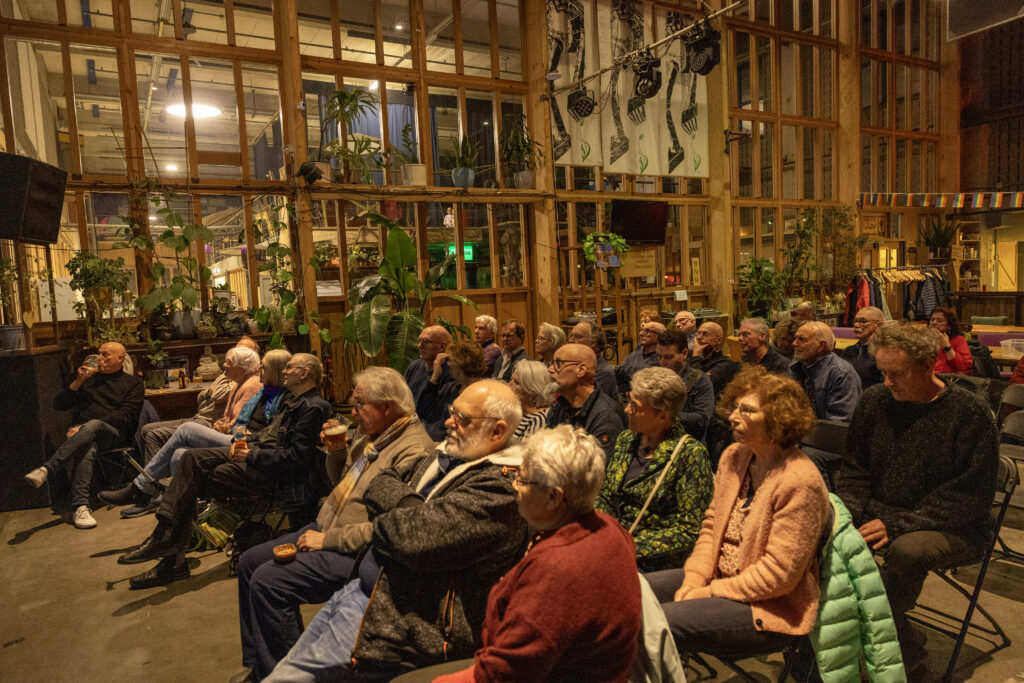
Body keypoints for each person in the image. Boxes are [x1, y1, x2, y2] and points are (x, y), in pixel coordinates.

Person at [265, 381, 530, 681]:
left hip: (404, 616)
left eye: (462, 419)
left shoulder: (501, 486)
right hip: (365, 587)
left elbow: (415, 540)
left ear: (497, 431)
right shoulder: (448, 454)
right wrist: (413, 511)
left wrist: (403, 513)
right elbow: (379, 482)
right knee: (286, 664)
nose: (448, 422)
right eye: (452, 412)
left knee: (284, 677)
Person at [235, 367, 435, 681]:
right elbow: (340, 483)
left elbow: (394, 527)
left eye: (359, 406)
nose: (352, 413)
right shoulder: (376, 435)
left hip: (358, 552)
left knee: (270, 580)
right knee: (249, 562)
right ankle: (263, 665)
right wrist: (337, 451)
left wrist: (326, 541)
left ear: (387, 407)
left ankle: (285, 674)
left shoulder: (413, 450)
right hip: (326, 525)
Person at [837, 322, 998, 674]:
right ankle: (890, 638)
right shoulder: (875, 400)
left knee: (907, 552)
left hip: (951, 523)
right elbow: (854, 470)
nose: (887, 382)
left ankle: (901, 650)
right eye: (882, 372)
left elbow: (969, 496)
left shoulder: (968, 413)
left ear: (929, 365)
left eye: (897, 373)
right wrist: (845, 515)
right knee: (823, 533)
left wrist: (896, 525)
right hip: (880, 514)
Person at [645, 366, 830, 659]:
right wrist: (695, 577)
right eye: (734, 408)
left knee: (657, 625)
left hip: (768, 604)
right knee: (632, 591)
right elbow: (710, 527)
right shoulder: (736, 455)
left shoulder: (800, 480)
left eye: (746, 410)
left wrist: (708, 591)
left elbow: (779, 576)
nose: (732, 416)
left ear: (778, 419)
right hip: (719, 578)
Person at [434, 426, 643, 682]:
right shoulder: (611, 529)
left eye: (523, 478)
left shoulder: (555, 569)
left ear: (554, 497)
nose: (514, 485)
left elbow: (503, 674)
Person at [117, 354, 331, 589]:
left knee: (188, 478)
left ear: (304, 373)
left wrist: (251, 454)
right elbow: (270, 435)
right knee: (189, 460)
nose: (285, 371)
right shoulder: (294, 400)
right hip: (258, 456)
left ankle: (167, 551)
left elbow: (297, 458)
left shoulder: (313, 407)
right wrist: (248, 439)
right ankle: (167, 547)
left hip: (272, 474)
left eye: (290, 367)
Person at [98, 346, 263, 516]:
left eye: (229, 363)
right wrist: (223, 422)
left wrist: (225, 425)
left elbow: (239, 425)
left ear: (241, 368)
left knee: (186, 430)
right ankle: (180, 513)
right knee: (179, 453)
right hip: (226, 434)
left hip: (240, 442)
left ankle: (141, 487)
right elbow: (228, 415)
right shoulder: (238, 383)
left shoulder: (251, 384)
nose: (224, 366)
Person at [596, 367, 713, 571]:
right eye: (628, 401)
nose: (626, 410)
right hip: (613, 545)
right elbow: (606, 494)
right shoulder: (627, 439)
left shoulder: (689, 453)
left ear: (662, 415)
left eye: (635, 405)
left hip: (654, 563)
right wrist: (603, 533)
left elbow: (689, 530)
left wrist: (630, 545)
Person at [24, 342, 144, 530]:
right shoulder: (88, 379)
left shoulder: (133, 384)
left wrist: (84, 426)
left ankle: (48, 468)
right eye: (99, 354)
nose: (100, 358)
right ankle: (80, 506)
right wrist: (78, 381)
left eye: (106, 355)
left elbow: (126, 416)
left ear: (120, 359)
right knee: (87, 445)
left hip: (114, 434)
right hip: (84, 436)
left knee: (93, 426)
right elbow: (59, 405)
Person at [138, 336, 260, 465]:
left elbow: (236, 422)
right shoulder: (234, 380)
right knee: (147, 430)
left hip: (215, 426)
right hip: (203, 419)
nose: (226, 363)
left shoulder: (249, 383)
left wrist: (226, 429)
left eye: (242, 351)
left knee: (165, 434)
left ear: (248, 361)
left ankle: (147, 481)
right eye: (236, 349)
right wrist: (210, 393)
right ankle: (151, 478)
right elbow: (202, 397)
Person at [545, 343, 626, 461]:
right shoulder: (559, 407)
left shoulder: (606, 417)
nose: (550, 369)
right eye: (551, 363)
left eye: (558, 363)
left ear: (581, 370)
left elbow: (596, 472)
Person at [790, 321, 862, 422]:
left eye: (801, 339)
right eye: (795, 338)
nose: (794, 343)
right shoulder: (795, 367)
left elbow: (837, 425)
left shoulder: (842, 374)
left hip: (825, 435)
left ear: (821, 346)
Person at [420, 340, 490, 441]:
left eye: (450, 360)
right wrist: (435, 376)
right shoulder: (450, 388)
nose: (448, 365)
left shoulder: (481, 394)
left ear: (462, 362)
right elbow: (423, 410)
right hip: (429, 437)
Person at [654, 329, 715, 442]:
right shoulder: (654, 377)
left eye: (668, 357)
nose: (662, 362)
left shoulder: (699, 380)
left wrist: (665, 415)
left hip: (687, 446)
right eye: (659, 357)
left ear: (684, 353)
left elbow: (701, 419)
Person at [405, 325, 452, 432]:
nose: (419, 345)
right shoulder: (414, 366)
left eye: (426, 342)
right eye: (419, 341)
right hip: (409, 424)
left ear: (442, 347)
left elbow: (426, 411)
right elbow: (402, 400)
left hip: (430, 429)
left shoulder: (449, 372)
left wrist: (434, 377)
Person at [569, 320, 618, 397]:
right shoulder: (572, 364)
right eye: (570, 336)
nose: (570, 340)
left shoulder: (604, 373)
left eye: (578, 336)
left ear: (593, 342)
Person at [691, 321, 740, 396]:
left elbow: (702, 384)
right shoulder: (690, 358)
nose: (699, 337)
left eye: (705, 334)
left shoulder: (726, 364)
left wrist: (695, 355)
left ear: (719, 340)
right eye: (699, 333)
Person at [840, 306, 884, 389]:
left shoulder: (881, 353)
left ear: (878, 325)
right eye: (855, 321)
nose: (856, 325)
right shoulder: (848, 351)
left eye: (863, 321)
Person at [614, 320, 665, 393]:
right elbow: (620, 373)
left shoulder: (662, 358)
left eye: (647, 331)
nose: (641, 333)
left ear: (659, 335)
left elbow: (645, 381)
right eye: (642, 330)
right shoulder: (633, 355)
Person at [509, 360, 554, 441]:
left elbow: (527, 452)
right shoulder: (516, 411)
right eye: (511, 379)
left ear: (532, 391)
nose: (509, 385)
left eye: (516, 382)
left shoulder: (538, 419)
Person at [929, 306, 973, 375]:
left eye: (939, 321)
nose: (934, 323)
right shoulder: (925, 338)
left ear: (949, 326)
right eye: (932, 319)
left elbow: (964, 366)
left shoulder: (958, 340)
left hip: (947, 379)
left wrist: (947, 347)